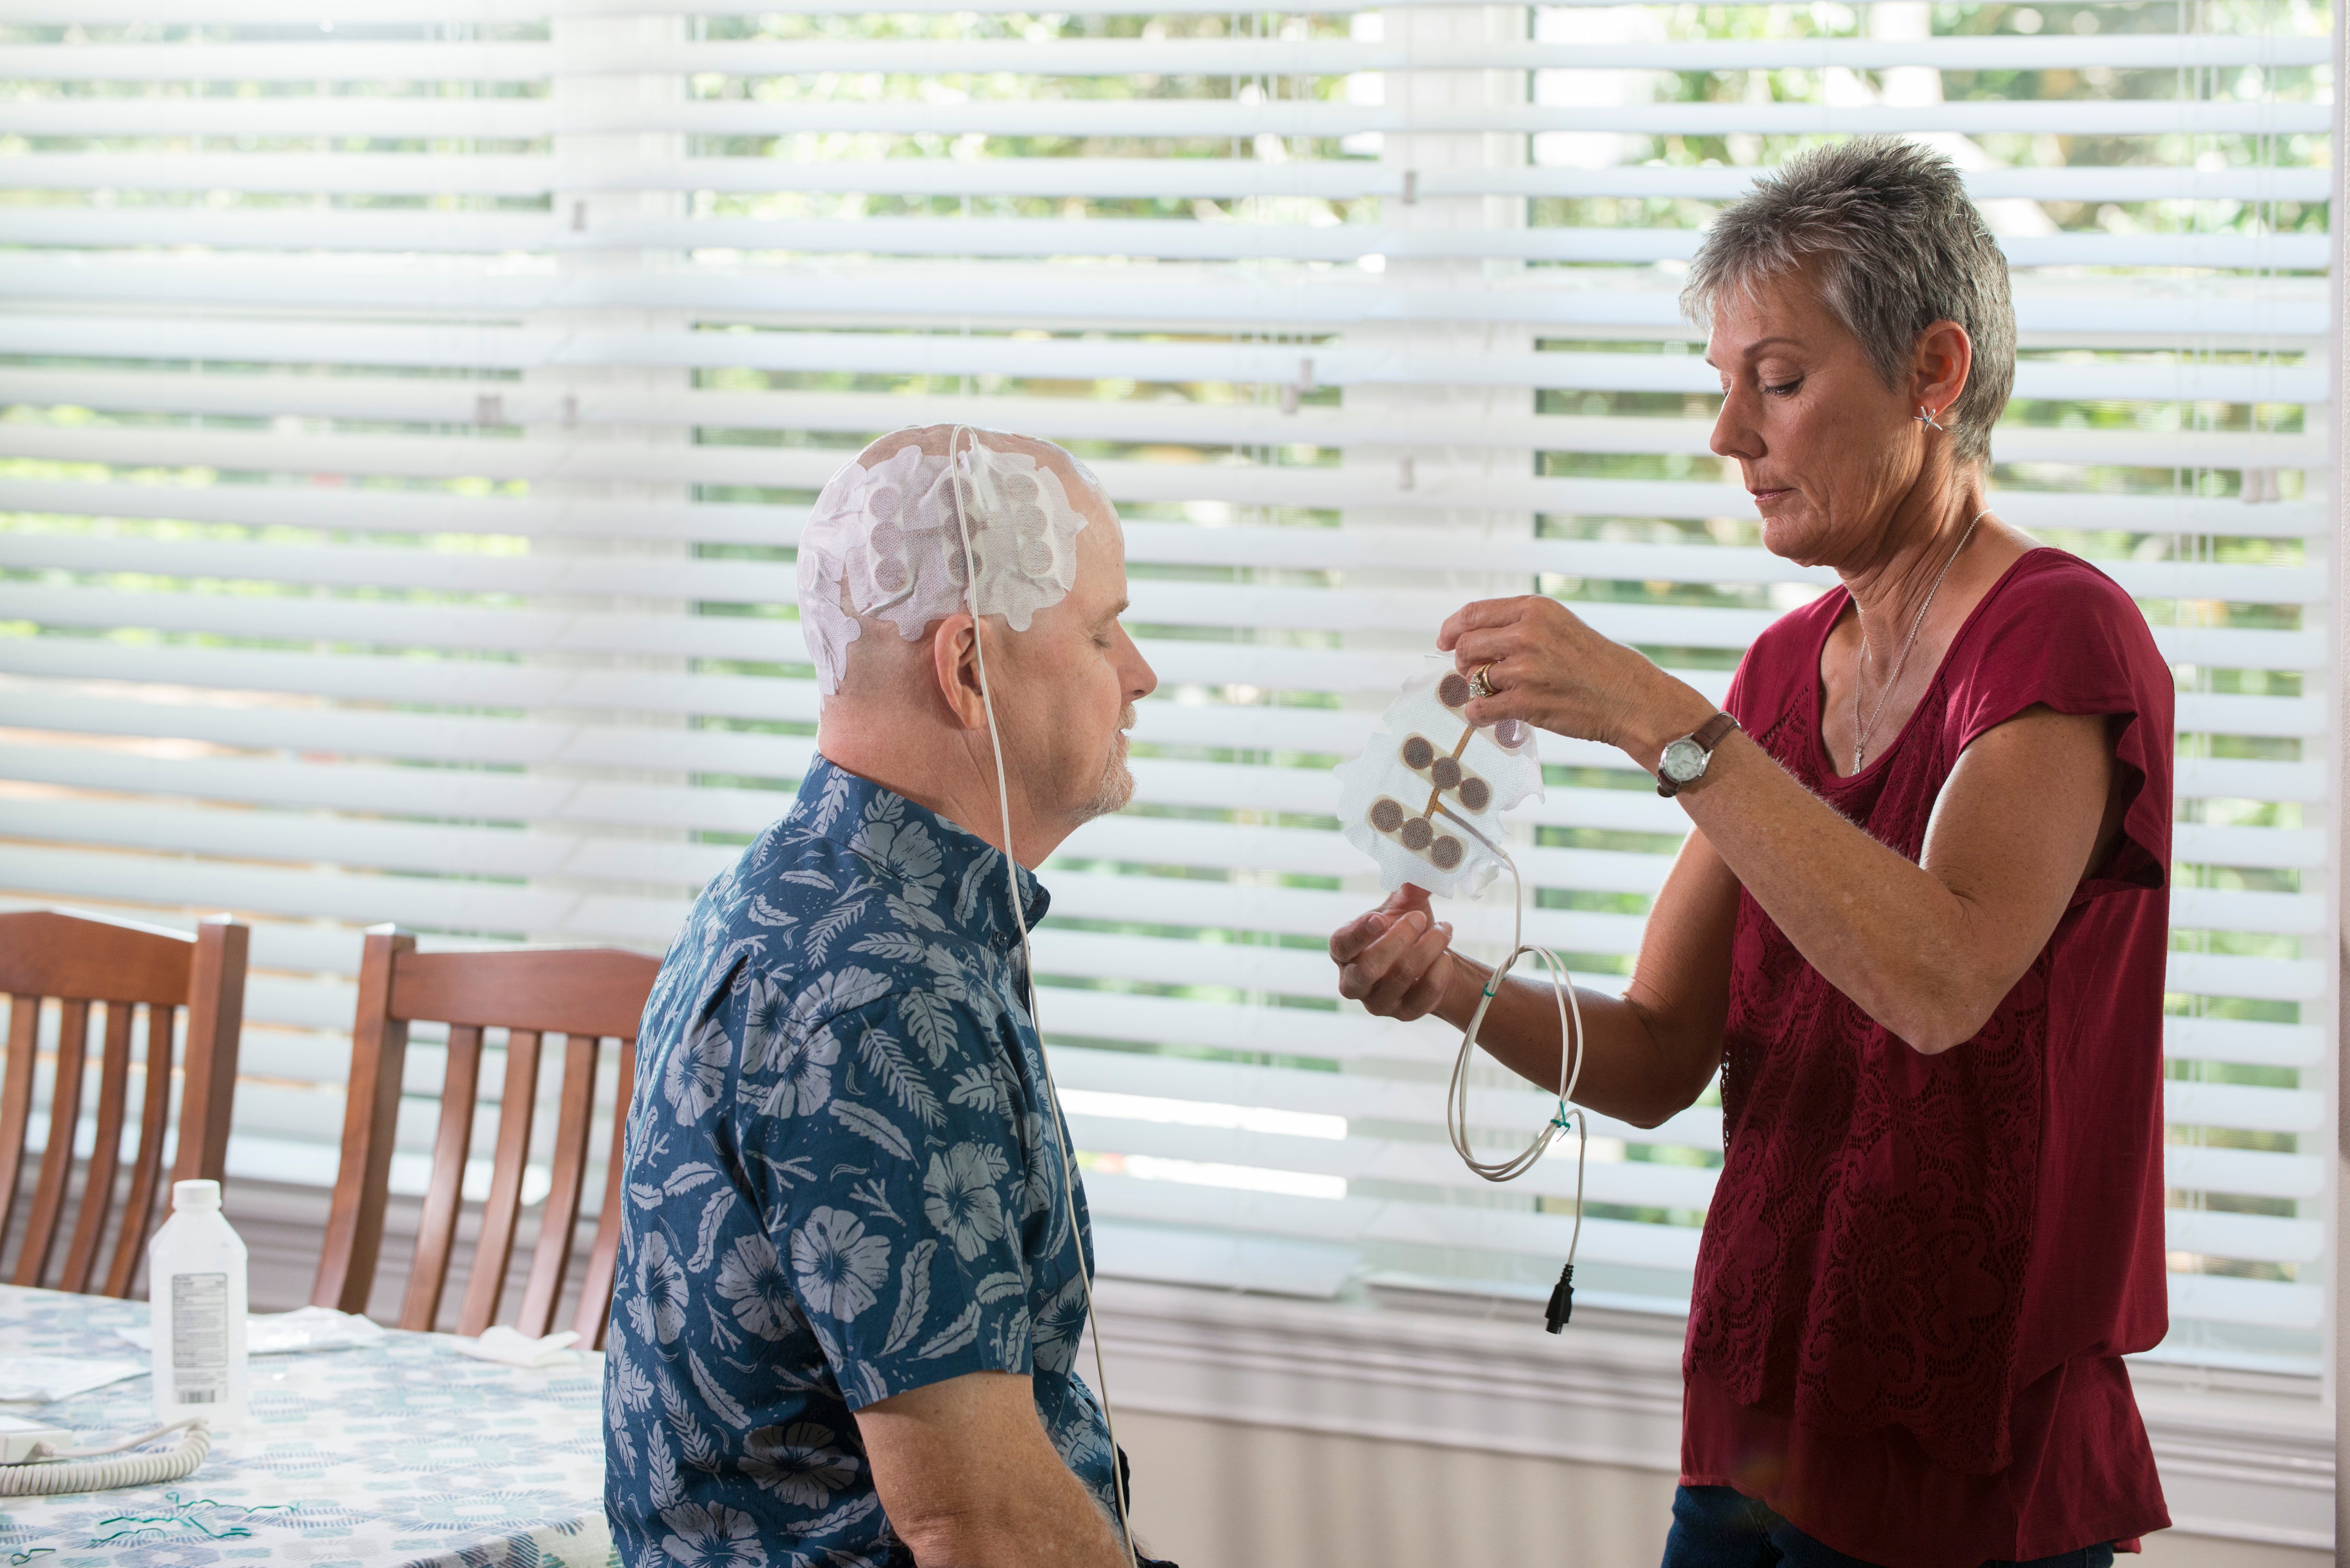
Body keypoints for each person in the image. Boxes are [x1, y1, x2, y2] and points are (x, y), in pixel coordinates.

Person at [1328, 138, 2173, 1568]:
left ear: (1934, 372)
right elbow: (1662, 1054)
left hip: (1967, 1468)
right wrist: (1452, 983)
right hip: (1753, 1435)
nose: (1729, 435)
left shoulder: (2059, 637)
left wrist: (1662, 720)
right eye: (1722, 386)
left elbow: (1939, 977)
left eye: (1775, 382)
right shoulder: (1786, 670)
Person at [605, 424, 1169, 1568]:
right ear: (968, 668)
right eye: (1104, 631)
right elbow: (979, 1523)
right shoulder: (876, 993)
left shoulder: (792, 895)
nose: (1143, 672)